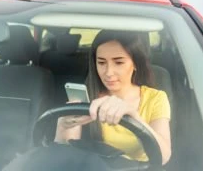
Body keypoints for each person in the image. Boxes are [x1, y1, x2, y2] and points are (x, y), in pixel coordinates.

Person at [54, 30, 171, 165]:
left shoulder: (155, 98)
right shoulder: (88, 98)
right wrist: (64, 126)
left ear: (135, 65)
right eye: (102, 63)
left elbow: (163, 156)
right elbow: (66, 155)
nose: (108, 72)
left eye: (119, 62)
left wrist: (135, 117)